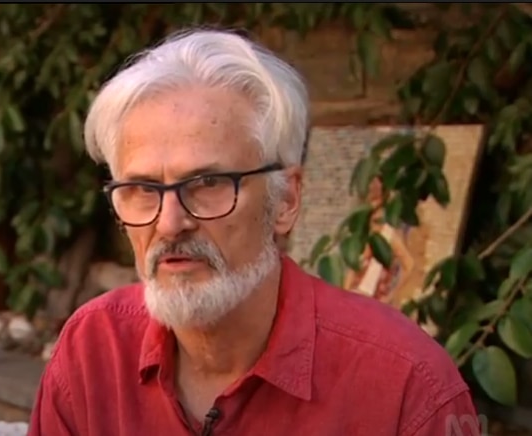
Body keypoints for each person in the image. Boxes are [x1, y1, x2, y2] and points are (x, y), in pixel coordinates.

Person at [28, 28, 479, 436]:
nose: (169, 223)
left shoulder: (406, 387)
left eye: (208, 184)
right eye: (143, 189)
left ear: (286, 200)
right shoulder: (94, 350)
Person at [344, 176, 416, 306]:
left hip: (372, 302)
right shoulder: (361, 232)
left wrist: (391, 295)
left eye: (376, 198)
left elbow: (409, 265)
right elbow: (352, 269)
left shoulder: (388, 235)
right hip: (353, 297)